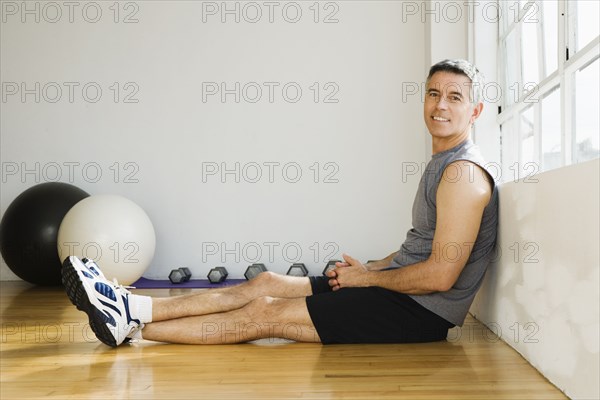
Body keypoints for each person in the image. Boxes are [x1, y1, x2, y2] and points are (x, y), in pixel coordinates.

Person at [62, 59, 498, 348]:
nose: (440, 105)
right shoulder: (445, 162)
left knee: (264, 314)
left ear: (475, 111)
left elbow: (441, 275)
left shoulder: (463, 175)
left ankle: (134, 328)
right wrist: (365, 271)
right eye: (433, 93)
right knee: (265, 283)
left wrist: (369, 282)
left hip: (421, 313)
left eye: (454, 97)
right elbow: (416, 249)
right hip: (398, 289)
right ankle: (132, 305)